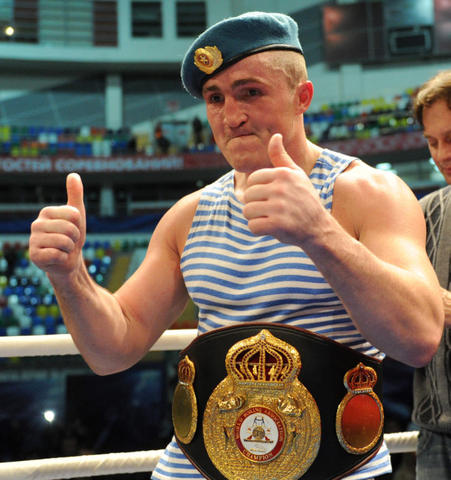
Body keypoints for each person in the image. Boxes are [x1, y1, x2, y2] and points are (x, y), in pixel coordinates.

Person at [29, 12, 444, 480]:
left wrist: (319, 234)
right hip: (190, 470)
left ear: (302, 97)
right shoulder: (189, 215)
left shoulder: (368, 193)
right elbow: (112, 350)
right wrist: (70, 277)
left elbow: (419, 339)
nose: (231, 116)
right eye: (215, 98)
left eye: (250, 92)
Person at [411, 70, 451, 480]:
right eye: (432, 142)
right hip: (434, 429)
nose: (442, 155)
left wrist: (439, 305)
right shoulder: (425, 212)